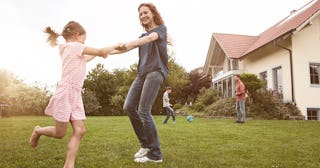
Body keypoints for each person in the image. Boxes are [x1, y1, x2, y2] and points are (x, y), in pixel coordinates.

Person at [29, 21, 123, 168]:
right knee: (60, 133)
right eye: (84, 40)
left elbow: (92, 56)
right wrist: (115, 46)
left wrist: (111, 52)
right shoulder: (74, 46)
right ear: (77, 35)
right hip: (66, 93)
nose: (85, 43)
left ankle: (68, 165)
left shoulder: (71, 49)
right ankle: (38, 130)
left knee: (80, 130)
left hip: (75, 94)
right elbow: (100, 51)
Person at [110, 2, 168, 163]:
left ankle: (156, 154)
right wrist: (102, 52)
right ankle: (145, 145)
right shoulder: (141, 37)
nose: (143, 16)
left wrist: (128, 43)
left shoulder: (160, 30)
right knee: (128, 106)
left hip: (156, 71)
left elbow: (149, 38)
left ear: (153, 14)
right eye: (140, 14)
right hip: (141, 74)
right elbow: (124, 49)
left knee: (144, 110)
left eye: (145, 13)